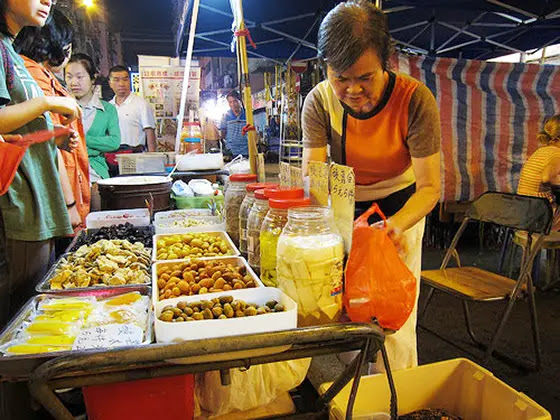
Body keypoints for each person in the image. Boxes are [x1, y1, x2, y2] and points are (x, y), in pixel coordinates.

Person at [302, 0, 441, 371]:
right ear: (326, 67)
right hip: (344, 209)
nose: (353, 90)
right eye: (340, 78)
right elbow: (314, 178)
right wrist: (321, 229)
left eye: (365, 78)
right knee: (346, 309)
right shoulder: (318, 101)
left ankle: (399, 398)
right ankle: (355, 395)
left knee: (392, 318)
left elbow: (430, 187)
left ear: (387, 62)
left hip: (401, 210)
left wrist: (395, 226)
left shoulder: (415, 100)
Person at [0, 1, 82, 418]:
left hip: (38, 200)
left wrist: (49, 137)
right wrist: (50, 105)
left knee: (32, 324)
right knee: (13, 336)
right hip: (16, 205)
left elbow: (16, 130)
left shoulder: (10, 51)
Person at [15, 9, 91, 230]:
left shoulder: (41, 74)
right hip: (53, 199)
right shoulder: (33, 75)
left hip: (59, 194)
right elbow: (49, 142)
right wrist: (68, 205)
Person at [66, 53, 120, 183]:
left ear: (92, 79)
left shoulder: (108, 110)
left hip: (96, 172)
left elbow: (114, 142)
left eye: (80, 77)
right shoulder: (61, 107)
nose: (74, 82)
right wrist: (95, 145)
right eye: (69, 77)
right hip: (67, 172)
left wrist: (80, 139)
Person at [108, 65, 157, 152]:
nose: (121, 84)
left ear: (129, 81)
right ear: (110, 83)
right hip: (112, 158)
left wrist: (152, 158)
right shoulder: (108, 107)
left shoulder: (141, 105)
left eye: (125, 79)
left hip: (135, 158)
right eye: (116, 80)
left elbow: (150, 134)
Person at [220, 90, 248, 157]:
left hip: (246, 151)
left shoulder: (247, 114)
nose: (233, 104)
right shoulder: (225, 116)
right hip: (231, 152)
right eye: (230, 102)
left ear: (239, 101)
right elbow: (223, 134)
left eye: (235, 101)